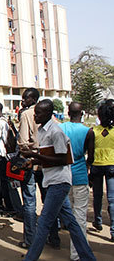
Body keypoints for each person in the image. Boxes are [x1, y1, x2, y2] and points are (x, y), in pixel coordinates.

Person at [22, 99, 96, 261]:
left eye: (38, 114)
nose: (35, 117)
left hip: (59, 182)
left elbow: (63, 159)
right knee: (71, 223)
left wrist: (34, 155)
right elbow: (50, 157)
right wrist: (33, 162)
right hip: (51, 181)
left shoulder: (56, 132)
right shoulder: (42, 131)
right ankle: (88, 257)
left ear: (49, 114)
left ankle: (30, 258)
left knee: (43, 223)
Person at [59, 102, 95, 259]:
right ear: (82, 113)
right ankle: (78, 254)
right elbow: (91, 157)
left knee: (69, 213)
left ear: (68, 112)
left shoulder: (61, 128)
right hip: (80, 176)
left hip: (64, 175)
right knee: (80, 216)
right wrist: (86, 167)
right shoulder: (88, 131)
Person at [17, 88, 40, 248]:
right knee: (48, 200)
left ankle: (30, 240)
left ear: (33, 99)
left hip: (31, 161)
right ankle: (53, 236)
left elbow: (23, 141)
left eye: (25, 98)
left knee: (30, 201)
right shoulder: (49, 114)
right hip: (46, 162)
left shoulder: (26, 114)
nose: (22, 101)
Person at [0, 102, 22, 216]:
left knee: (5, 182)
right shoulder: (5, 121)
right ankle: (13, 206)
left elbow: (3, 139)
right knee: (7, 181)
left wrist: (1, 153)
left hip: (4, 156)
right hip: (9, 155)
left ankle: (12, 207)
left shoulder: (0, 123)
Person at [89, 101, 114, 242]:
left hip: (97, 166)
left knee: (97, 196)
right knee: (112, 199)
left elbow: (90, 152)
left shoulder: (93, 131)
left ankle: (98, 221)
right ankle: (113, 230)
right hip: (112, 165)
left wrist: (90, 167)